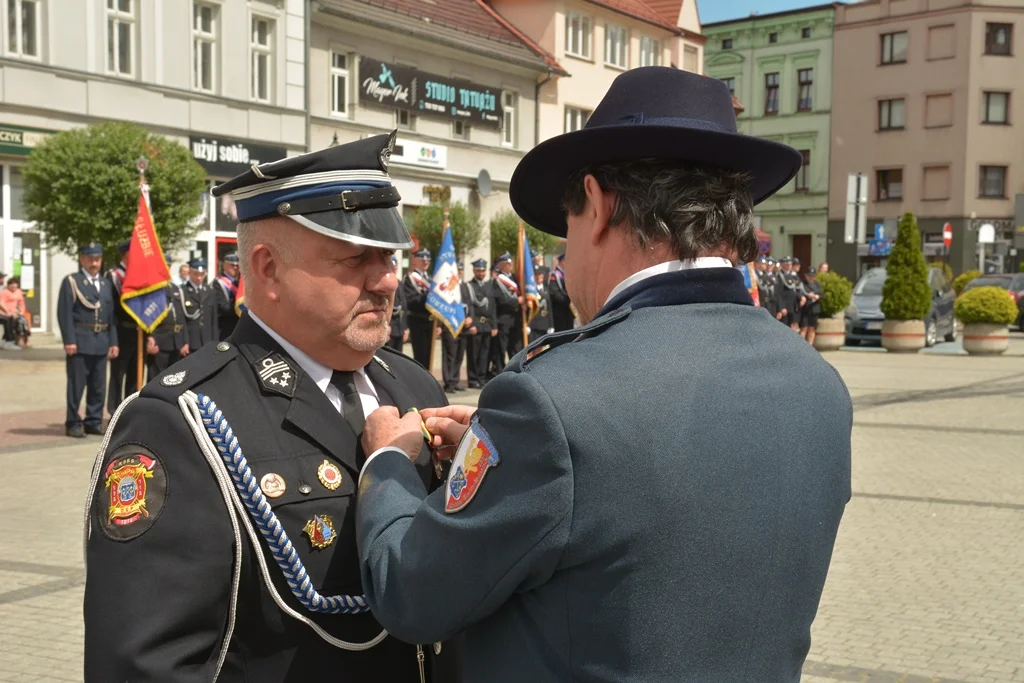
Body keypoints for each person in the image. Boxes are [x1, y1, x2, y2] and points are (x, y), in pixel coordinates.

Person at [354, 67, 852, 682]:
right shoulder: (818, 383)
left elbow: (411, 593)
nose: (564, 256)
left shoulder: (553, 400)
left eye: (565, 226)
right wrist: (499, 458)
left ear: (598, 202)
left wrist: (389, 464)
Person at [83, 133, 456, 682]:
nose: (387, 279)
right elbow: (143, 665)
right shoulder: (182, 420)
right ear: (267, 269)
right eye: (357, 258)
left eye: (390, 256)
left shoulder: (415, 387)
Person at [58, 242, 119, 438]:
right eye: (90, 259)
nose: (94, 263)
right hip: (80, 341)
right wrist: (69, 340)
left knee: (98, 385)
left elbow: (111, 317)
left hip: (101, 341)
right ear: (82, 260)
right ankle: (73, 422)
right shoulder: (72, 282)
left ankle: (93, 421)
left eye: (97, 259)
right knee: (76, 385)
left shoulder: (105, 284)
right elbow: (65, 313)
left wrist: (113, 342)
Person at [106, 240, 142, 413]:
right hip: (121, 330)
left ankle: (130, 410)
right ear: (125, 254)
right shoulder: (114, 276)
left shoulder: (139, 274)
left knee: (135, 374)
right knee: (118, 374)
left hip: (138, 332)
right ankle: (114, 411)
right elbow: (112, 309)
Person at [145, 277, 190, 381]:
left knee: (173, 380)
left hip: (176, 341)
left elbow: (182, 317)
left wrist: (186, 341)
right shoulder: (152, 288)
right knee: (156, 380)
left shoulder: (175, 288)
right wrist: (150, 337)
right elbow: (147, 316)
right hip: (159, 340)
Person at [441, 261, 473, 393]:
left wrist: (470, 318)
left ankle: (455, 380)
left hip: (463, 326)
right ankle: (448, 382)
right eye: (457, 270)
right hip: (451, 325)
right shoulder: (448, 287)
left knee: (459, 355)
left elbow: (470, 304)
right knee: (450, 355)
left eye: (460, 269)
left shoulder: (464, 286)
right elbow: (443, 307)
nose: (459, 272)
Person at [488, 253, 520, 378]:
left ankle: (516, 372)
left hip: (516, 320)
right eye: (507, 264)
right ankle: (500, 373)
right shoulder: (497, 281)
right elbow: (500, 300)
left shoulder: (516, 279)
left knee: (516, 348)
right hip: (503, 319)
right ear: (500, 265)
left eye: (511, 263)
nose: (510, 265)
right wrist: (518, 301)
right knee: (501, 349)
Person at [465, 258, 495, 389]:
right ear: (474, 271)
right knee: (473, 353)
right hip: (476, 324)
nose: (481, 273)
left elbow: (493, 306)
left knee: (484, 354)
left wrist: (494, 325)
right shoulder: (470, 286)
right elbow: (469, 306)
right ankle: (473, 379)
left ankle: (482, 378)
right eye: (478, 271)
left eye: (483, 271)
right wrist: (473, 325)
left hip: (487, 325)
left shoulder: (489, 285)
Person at [402, 248, 433, 366]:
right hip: (418, 321)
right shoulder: (410, 278)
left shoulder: (430, 279)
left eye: (428, 261)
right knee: (420, 355)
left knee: (430, 356)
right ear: (415, 260)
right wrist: (428, 296)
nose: (426, 263)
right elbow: (411, 301)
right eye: (423, 260)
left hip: (430, 322)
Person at [181, 258, 218, 349]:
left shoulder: (210, 292)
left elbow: (214, 321)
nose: (199, 278)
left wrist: (215, 342)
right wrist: (184, 342)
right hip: (191, 341)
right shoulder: (183, 291)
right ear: (189, 273)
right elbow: (182, 320)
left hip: (207, 341)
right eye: (196, 274)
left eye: (202, 274)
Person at [214, 252, 241, 340]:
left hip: (240, 325)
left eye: (237, 265)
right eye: (232, 265)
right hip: (226, 327)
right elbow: (223, 308)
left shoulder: (241, 283)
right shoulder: (218, 283)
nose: (235, 268)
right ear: (224, 265)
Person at [0, 276, 30, 348]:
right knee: (12, 319)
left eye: (15, 284)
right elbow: (1, 303)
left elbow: (21, 303)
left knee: (23, 319)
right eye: (11, 284)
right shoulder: (5, 292)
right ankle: (12, 340)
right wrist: (7, 311)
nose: (13, 286)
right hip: (4, 312)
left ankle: (24, 339)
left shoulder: (19, 291)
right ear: (8, 285)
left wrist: (21, 311)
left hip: (14, 312)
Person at [387, 255, 409, 352]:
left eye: (395, 266)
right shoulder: (385, 285)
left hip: (399, 328)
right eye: (392, 266)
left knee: (398, 357)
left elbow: (404, 307)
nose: (394, 268)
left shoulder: (400, 284)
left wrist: (405, 328)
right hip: (389, 328)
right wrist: (385, 326)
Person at [548, 254, 574, 332]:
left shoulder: (567, 274)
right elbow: (555, 293)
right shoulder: (555, 275)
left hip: (568, 311)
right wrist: (569, 300)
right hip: (559, 311)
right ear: (563, 262)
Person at [529, 266, 553, 343]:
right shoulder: (531, 290)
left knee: (540, 348)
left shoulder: (546, 289)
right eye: (537, 275)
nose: (539, 277)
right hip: (533, 323)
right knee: (531, 349)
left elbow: (549, 308)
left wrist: (551, 325)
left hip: (543, 323)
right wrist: (527, 325)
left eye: (540, 275)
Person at [800, 265, 823, 345]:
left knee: (812, 329)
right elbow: (801, 292)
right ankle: (801, 347)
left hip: (814, 309)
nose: (811, 278)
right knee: (804, 328)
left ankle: (810, 346)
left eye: (813, 276)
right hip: (806, 309)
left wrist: (817, 296)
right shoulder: (803, 283)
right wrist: (808, 295)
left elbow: (821, 293)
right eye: (809, 276)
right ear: (806, 275)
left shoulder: (817, 284)